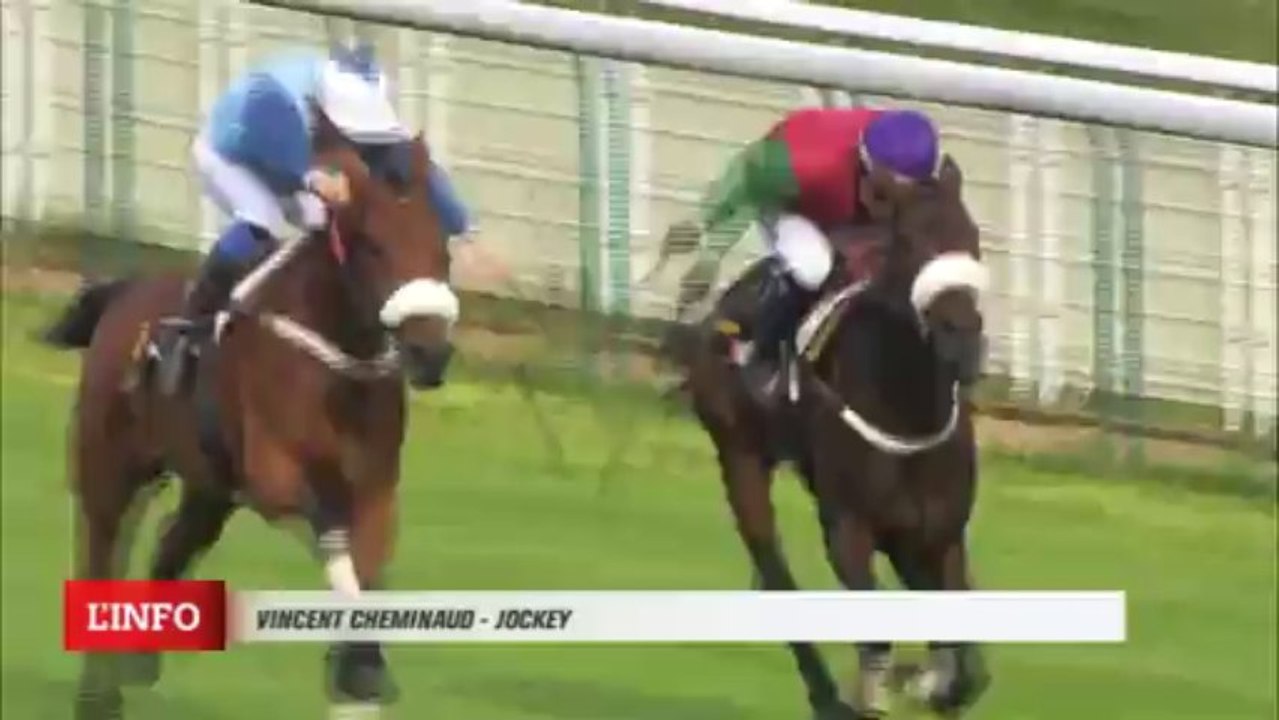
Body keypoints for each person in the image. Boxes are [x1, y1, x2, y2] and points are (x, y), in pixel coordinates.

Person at [180, 40, 478, 341]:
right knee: (261, 217)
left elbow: (412, 166)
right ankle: (196, 313)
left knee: (323, 221)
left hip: (295, 159)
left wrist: (464, 229)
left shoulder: (365, 103)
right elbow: (268, 147)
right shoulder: (275, 101)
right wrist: (312, 178)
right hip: (231, 154)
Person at [672, 106, 943, 402]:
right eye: (883, 193)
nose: (889, 206)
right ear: (866, 166)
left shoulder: (913, 157)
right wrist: (708, 235)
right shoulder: (813, 167)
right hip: (790, 199)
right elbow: (748, 174)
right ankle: (762, 355)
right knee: (813, 267)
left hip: (840, 198)